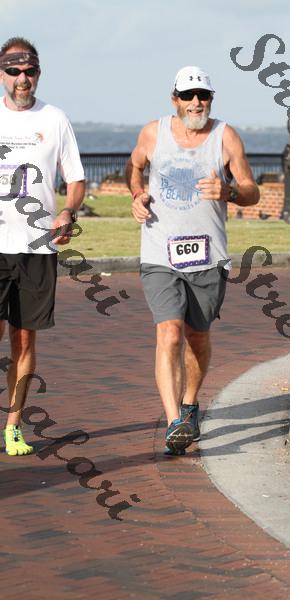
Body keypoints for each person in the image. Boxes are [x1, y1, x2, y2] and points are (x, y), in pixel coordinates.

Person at [129, 66, 259, 455]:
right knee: (169, 331)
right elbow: (135, 167)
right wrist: (136, 194)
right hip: (160, 253)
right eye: (188, 95)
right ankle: (174, 423)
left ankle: (189, 404)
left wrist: (229, 191)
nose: (196, 102)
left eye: (203, 95)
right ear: (175, 100)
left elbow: (251, 190)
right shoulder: (153, 133)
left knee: (196, 336)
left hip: (207, 256)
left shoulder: (225, 136)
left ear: (210, 99)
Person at [0, 37, 85, 455]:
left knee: (24, 341)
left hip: (37, 248)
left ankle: (13, 426)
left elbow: (76, 179)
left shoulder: (54, 119)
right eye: (14, 71)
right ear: (2, 74)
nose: (22, 79)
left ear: (38, 74)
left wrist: (68, 212)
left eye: (29, 71)